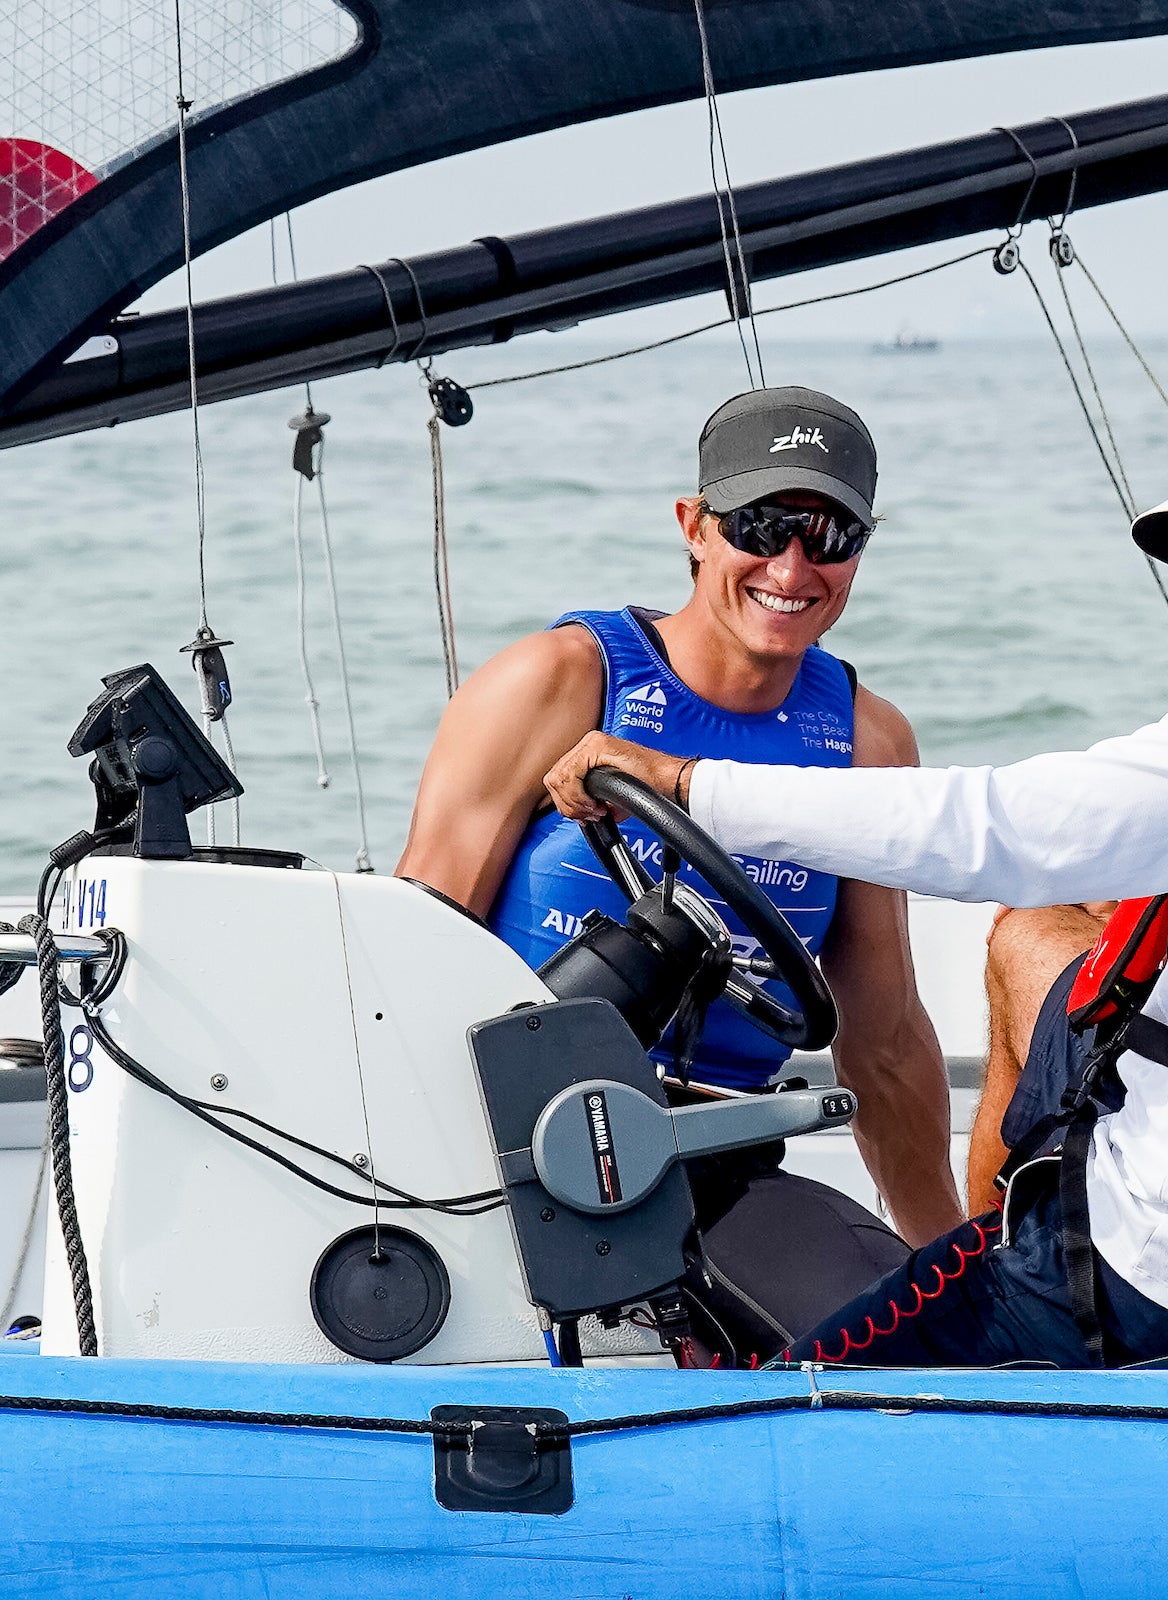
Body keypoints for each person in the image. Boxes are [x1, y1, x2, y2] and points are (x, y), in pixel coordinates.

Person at [542, 402, 1168, 1367]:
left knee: (806, 1392)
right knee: (1038, 940)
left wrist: (686, 785)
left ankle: (1016, 1275)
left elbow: (999, 827)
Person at [394, 386, 964, 1354]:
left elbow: (888, 1041)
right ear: (694, 527)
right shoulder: (559, 679)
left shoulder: (867, 738)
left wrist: (953, 1259)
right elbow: (411, 951)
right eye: (762, 525)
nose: (793, 566)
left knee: (917, 1340)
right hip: (509, 1139)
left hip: (716, 1154)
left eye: (830, 536)